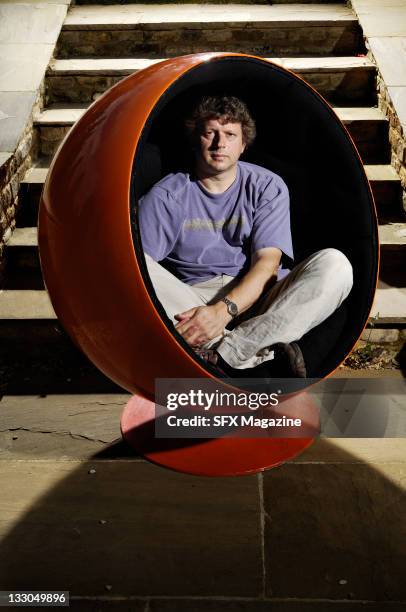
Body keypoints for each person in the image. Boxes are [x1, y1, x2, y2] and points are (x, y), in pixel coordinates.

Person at [138, 96, 353, 378]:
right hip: (193, 301)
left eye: (230, 135)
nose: (219, 143)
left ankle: (226, 354)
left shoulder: (266, 186)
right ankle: (249, 358)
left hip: (259, 299)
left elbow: (267, 265)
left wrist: (224, 311)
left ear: (243, 145)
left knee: (336, 265)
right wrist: (209, 314)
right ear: (196, 140)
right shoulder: (167, 195)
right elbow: (136, 271)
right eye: (210, 133)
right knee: (128, 264)